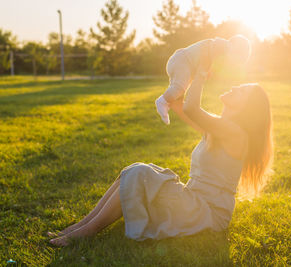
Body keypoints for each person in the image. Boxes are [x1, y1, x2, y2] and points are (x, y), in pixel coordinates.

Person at [48, 57, 273, 247]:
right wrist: (182, 71)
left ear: (247, 108)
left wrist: (201, 73)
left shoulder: (235, 133)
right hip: (194, 200)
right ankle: (81, 226)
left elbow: (192, 109)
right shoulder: (218, 126)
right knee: (133, 170)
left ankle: (86, 232)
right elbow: (179, 104)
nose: (235, 87)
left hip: (207, 213)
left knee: (140, 174)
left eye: (241, 91)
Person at [155, 35, 251, 125]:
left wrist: (208, 70)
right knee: (179, 88)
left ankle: (168, 102)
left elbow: (210, 61)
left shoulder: (224, 51)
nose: (232, 62)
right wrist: (207, 69)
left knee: (178, 92)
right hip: (183, 61)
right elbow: (209, 53)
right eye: (235, 58)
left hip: (185, 64)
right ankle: (162, 101)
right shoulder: (222, 45)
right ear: (233, 46)